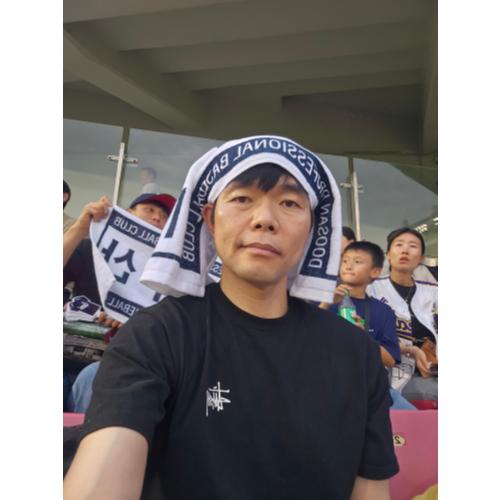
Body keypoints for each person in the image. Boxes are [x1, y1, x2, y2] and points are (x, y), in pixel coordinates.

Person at [64, 136, 398, 500]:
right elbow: (104, 470)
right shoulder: (157, 335)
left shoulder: (355, 352)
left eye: (289, 203)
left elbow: (371, 490)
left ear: (312, 227)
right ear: (209, 218)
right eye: (241, 199)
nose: (264, 220)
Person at [319, 241, 415, 410]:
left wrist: (363, 336)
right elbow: (302, 338)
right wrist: (326, 304)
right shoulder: (320, 300)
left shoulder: (383, 311)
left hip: (367, 390)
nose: (348, 266)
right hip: (325, 385)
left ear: (375, 272)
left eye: (357, 261)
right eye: (345, 260)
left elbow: (390, 360)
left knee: (412, 419)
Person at [63, 193, 176, 306]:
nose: (157, 218)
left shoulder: (165, 268)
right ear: (128, 213)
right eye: (149, 210)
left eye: (164, 216)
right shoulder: (93, 248)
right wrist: (79, 229)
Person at [368, 227, 438, 402]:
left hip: (433, 369)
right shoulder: (371, 289)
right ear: (388, 255)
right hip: (394, 375)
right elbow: (369, 337)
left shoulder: (433, 292)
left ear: (421, 258)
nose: (405, 250)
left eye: (413, 246)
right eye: (399, 245)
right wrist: (409, 350)